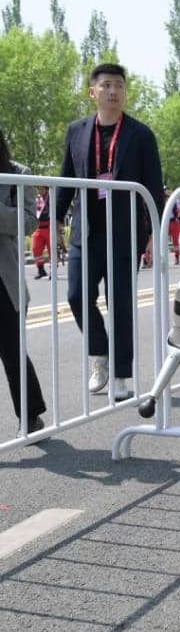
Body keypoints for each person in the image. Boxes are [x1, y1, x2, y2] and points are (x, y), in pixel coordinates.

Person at [55, 63, 164, 402]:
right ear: (93, 92)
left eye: (119, 85)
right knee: (76, 295)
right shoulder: (76, 131)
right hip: (85, 232)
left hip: (125, 233)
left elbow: (153, 187)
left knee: (121, 304)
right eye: (106, 85)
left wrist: (153, 231)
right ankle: (99, 353)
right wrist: (53, 219)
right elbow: (66, 178)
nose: (113, 91)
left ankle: (120, 375)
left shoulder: (141, 135)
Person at [0, 129, 48, 439]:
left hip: (4, 278)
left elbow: (29, 221)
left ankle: (30, 416)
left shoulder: (17, 173)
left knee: (12, 350)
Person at [30, 186, 56, 279]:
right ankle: (41, 270)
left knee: (52, 251)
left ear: (46, 189)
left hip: (49, 227)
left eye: (41, 189)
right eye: (38, 189)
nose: (39, 191)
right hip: (38, 228)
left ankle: (53, 271)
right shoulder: (37, 199)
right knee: (35, 249)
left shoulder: (52, 198)